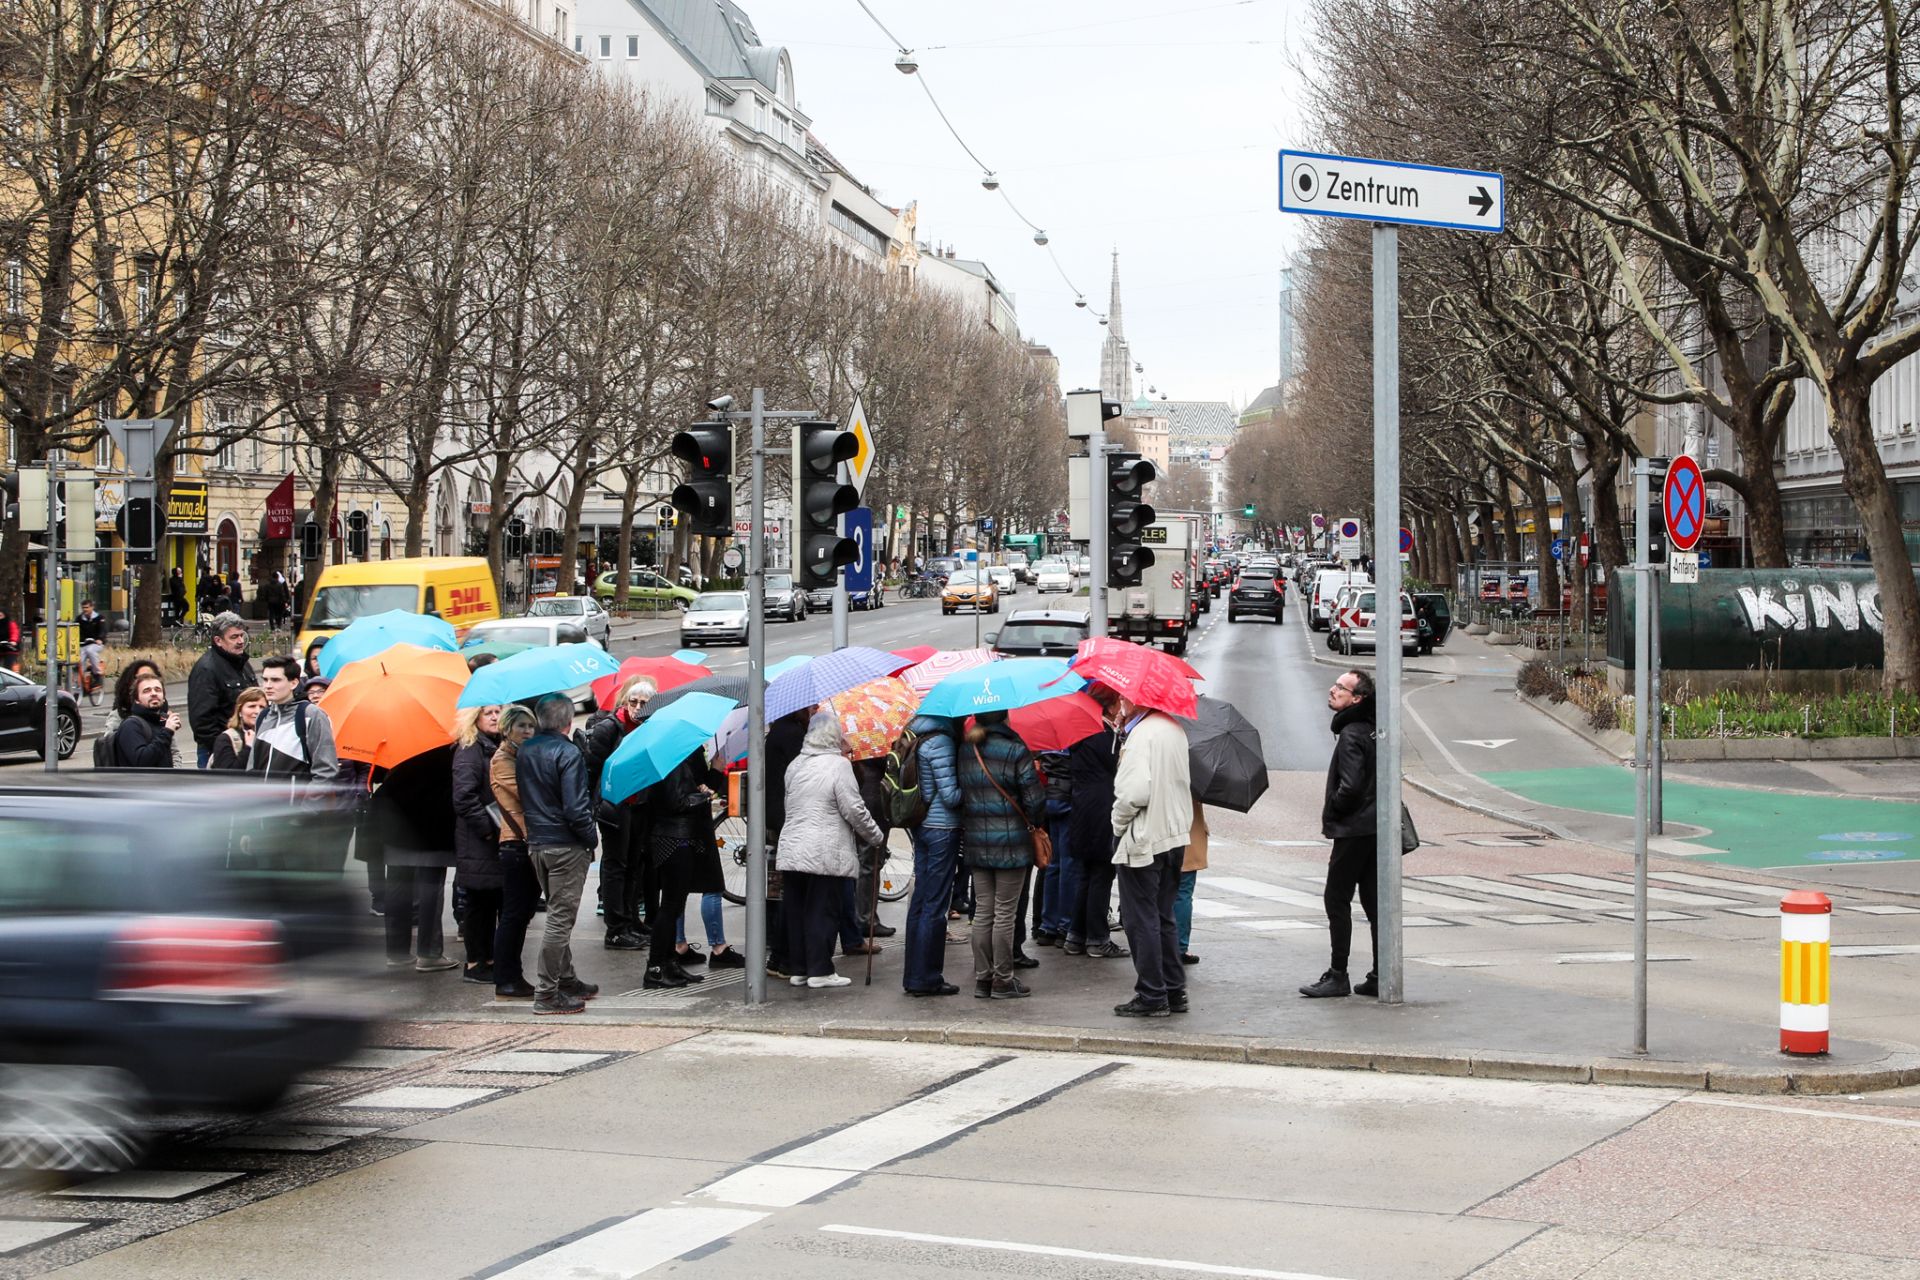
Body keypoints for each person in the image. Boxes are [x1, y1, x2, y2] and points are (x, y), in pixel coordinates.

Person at [778, 713, 884, 990]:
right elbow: (854, 808)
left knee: (798, 911)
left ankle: (800, 968)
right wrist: (875, 835)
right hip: (825, 850)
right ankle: (821, 970)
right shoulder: (838, 766)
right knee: (823, 911)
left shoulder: (795, 765)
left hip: (793, 847)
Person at [1109, 690, 1194, 1019]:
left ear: (1136, 701)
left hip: (1144, 837)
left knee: (1139, 919)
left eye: (1123, 698)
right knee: (1163, 916)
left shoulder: (1141, 735)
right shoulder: (1172, 728)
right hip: (1173, 833)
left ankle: (1151, 993)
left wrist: (1117, 826)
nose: (1119, 704)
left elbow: (1133, 793)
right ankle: (1174, 990)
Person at [516, 693, 598, 1015]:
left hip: (538, 841)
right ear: (568, 721)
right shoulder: (568, 752)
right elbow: (576, 808)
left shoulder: (527, 749)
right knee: (559, 920)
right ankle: (547, 992)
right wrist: (591, 838)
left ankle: (566, 979)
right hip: (565, 843)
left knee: (556, 913)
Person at [1302, 669, 1380, 999]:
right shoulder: (1373, 728)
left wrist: (1333, 810)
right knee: (1375, 904)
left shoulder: (1351, 734)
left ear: (1357, 699)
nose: (1332, 690)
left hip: (1354, 830)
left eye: (1341, 688)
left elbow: (1350, 787)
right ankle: (1381, 973)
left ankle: (1338, 975)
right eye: (1334, 684)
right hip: (1376, 827)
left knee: (1336, 899)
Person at [957, 710, 1046, 1000]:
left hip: (976, 841)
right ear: (1004, 719)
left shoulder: (966, 749)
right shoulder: (1015, 748)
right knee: (1005, 912)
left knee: (983, 911)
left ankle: (983, 978)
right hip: (1010, 843)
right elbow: (1034, 801)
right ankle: (1003, 980)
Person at [367, 744, 459, 973]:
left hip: (397, 822)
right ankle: (428, 953)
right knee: (430, 889)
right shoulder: (445, 744)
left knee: (397, 887)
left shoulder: (395, 737)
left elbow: (377, 774)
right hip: (433, 822)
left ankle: (397, 952)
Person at [642, 742, 725, 988]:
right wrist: (703, 794)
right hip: (675, 838)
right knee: (670, 906)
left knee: (674, 905)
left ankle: (669, 964)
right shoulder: (672, 759)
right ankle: (656, 968)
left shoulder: (674, 757)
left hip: (678, 837)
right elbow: (678, 801)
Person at [579, 675, 652, 951]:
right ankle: (616, 928)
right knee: (615, 867)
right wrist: (594, 805)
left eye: (643, 702)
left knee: (635, 865)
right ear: (625, 701)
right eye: (633, 701)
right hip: (614, 806)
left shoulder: (648, 727)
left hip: (639, 805)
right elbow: (591, 768)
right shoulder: (610, 727)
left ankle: (631, 920)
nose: (637, 707)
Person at [900, 713, 963, 997]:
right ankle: (927, 977)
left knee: (921, 901)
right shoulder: (942, 741)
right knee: (935, 905)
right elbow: (950, 796)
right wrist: (969, 791)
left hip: (921, 824)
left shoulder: (914, 735)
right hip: (942, 828)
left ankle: (912, 975)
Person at [1064, 714, 1128, 960]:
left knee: (1086, 874)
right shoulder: (1103, 735)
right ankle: (1097, 938)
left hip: (1083, 806)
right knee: (1102, 874)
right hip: (1102, 807)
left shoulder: (1079, 728)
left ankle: (1076, 935)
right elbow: (1117, 765)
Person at [452, 705, 505, 985]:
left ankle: (488, 959)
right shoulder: (470, 749)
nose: (495, 717)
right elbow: (463, 797)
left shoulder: (494, 745)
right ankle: (475, 963)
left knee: (492, 900)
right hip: (479, 839)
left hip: (492, 838)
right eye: (488, 713)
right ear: (475, 718)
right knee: (478, 902)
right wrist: (487, 829)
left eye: (498, 711)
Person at [490, 704, 539, 1000]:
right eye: (521, 726)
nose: (527, 731)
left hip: (526, 842)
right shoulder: (502, 760)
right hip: (515, 843)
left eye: (531, 726)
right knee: (513, 914)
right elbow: (527, 793)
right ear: (507, 728)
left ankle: (512, 975)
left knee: (522, 914)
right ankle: (506, 978)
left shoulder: (521, 756)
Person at [762, 705, 811, 979]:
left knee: (780, 888)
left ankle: (777, 954)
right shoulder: (792, 733)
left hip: (775, 815)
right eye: (812, 707)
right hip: (786, 817)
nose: (814, 710)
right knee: (789, 891)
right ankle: (782, 956)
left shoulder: (778, 731)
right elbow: (802, 772)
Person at [248, 655, 341, 795]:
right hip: (262, 809)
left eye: (275, 680)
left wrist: (306, 809)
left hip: (295, 811)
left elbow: (326, 770)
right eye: (265, 679)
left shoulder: (311, 714)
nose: (268, 685)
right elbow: (252, 767)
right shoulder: (263, 716)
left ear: (293, 683)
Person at [187, 613, 257, 768]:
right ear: (218, 640)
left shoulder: (242, 663)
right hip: (220, 749)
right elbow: (202, 721)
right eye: (234, 637)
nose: (240, 641)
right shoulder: (206, 669)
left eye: (241, 635)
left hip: (247, 743)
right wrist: (222, 747)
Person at [108, 669, 180, 769]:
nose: (153, 693)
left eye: (158, 690)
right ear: (137, 700)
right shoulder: (131, 725)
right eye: (147, 691)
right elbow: (142, 761)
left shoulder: (160, 721)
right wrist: (167, 732)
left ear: (163, 698)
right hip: (141, 784)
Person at [1173, 798, 1209, 966]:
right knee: (1182, 893)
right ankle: (1179, 947)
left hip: (1161, 836)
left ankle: (1159, 944)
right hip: (1188, 833)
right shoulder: (1195, 773)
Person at [208, 687, 267, 771]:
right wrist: (249, 747)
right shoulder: (226, 739)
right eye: (252, 706)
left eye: (262, 707)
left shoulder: (271, 734)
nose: (257, 711)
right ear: (240, 711)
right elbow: (228, 774)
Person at [75, 600, 107, 693]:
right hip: (83, 644)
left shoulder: (99, 618)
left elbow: (103, 630)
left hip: (95, 644)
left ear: (92, 607)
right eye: (83, 608)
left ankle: (97, 674)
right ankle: (80, 683)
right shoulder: (79, 619)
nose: (85, 610)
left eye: (87, 607)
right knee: (79, 660)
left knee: (90, 651)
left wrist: (100, 639)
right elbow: (75, 630)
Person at [0, 606, 18, 671]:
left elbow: (14, 633)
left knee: (8, 667)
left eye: (0, 616)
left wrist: (13, 641)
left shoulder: (10, 624)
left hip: (9, 649)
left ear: (5, 615)